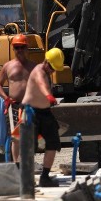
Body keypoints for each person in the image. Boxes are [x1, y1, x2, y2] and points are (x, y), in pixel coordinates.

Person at [21, 47, 64, 187]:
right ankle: (26, 179)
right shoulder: (38, 71)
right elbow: (41, 84)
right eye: (52, 67)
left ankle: (44, 177)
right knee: (29, 146)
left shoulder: (47, 71)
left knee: (53, 142)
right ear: (46, 61)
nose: (53, 71)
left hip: (44, 113)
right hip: (30, 112)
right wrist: (49, 96)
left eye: (55, 69)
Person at [0, 34, 36, 163]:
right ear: (13, 49)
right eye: (16, 47)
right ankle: (17, 167)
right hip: (13, 106)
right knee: (15, 138)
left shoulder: (34, 67)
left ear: (27, 48)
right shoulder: (8, 66)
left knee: (28, 137)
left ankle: (27, 166)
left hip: (29, 106)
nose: (19, 50)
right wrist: (6, 98)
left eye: (22, 47)